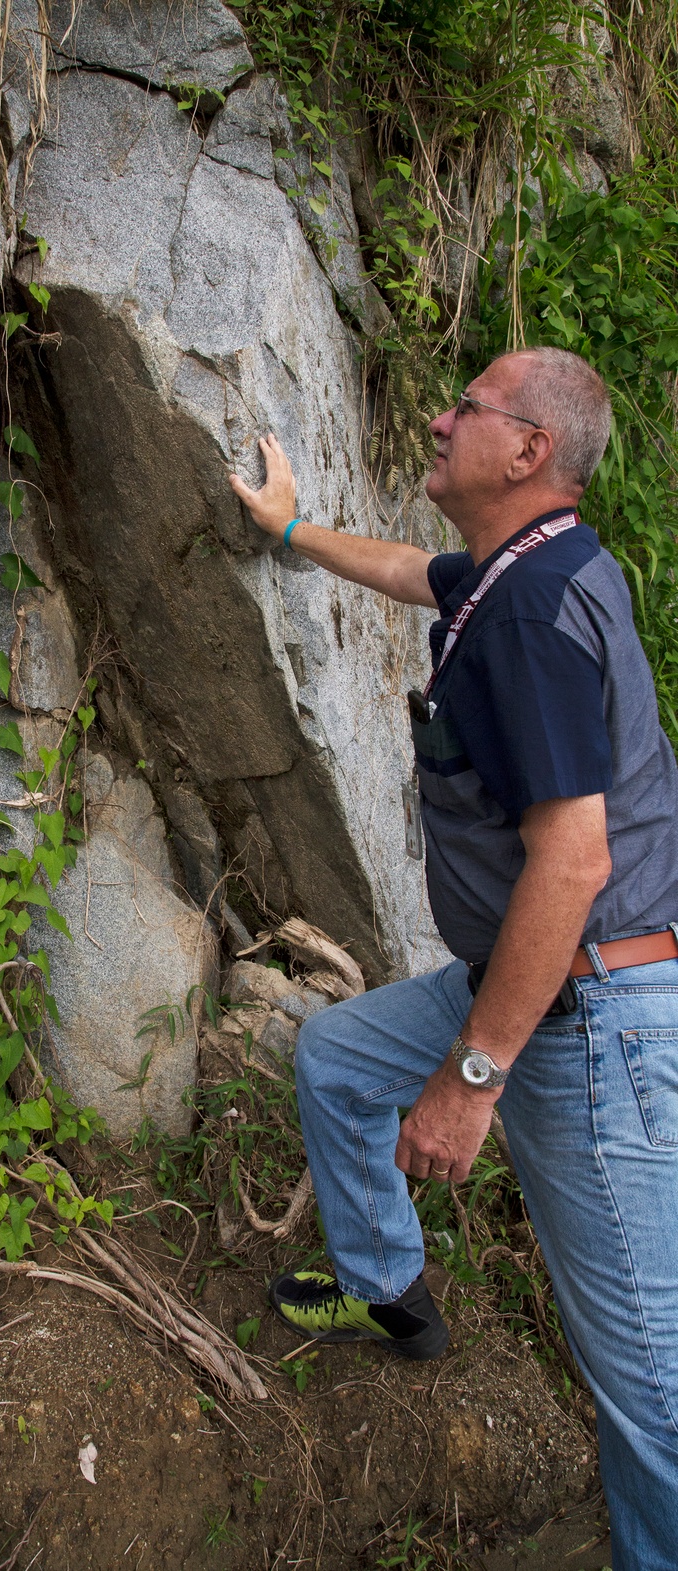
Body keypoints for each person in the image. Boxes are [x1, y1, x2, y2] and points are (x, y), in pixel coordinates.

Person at [228, 346, 678, 1571]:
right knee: (333, 1052)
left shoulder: (529, 612)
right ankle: (388, 1290)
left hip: (591, 1018)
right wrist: (293, 529)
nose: (436, 415)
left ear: (528, 449)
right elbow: (408, 572)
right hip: (542, 983)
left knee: (654, 1395)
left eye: (465, 406)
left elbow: (573, 861)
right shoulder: (523, 571)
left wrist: (472, 1076)